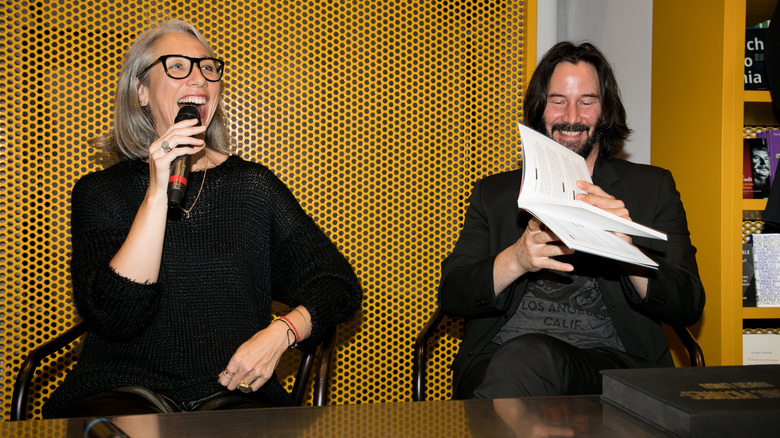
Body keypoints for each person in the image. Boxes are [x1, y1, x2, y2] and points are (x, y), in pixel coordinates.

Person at [43, 20, 362, 418]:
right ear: (141, 90)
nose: (199, 78)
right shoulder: (100, 191)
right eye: (177, 66)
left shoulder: (253, 187)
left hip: (231, 393)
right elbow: (118, 316)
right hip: (122, 392)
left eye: (208, 67)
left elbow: (336, 283)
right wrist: (158, 192)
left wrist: (283, 332)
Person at [438, 41, 705, 400]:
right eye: (558, 100)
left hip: (611, 367)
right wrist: (515, 259)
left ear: (605, 110)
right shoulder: (495, 193)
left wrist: (626, 249)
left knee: (530, 357)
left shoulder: (651, 188)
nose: (572, 115)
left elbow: (688, 304)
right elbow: (453, 295)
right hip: (497, 360)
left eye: (587, 101)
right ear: (540, 107)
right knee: (524, 358)